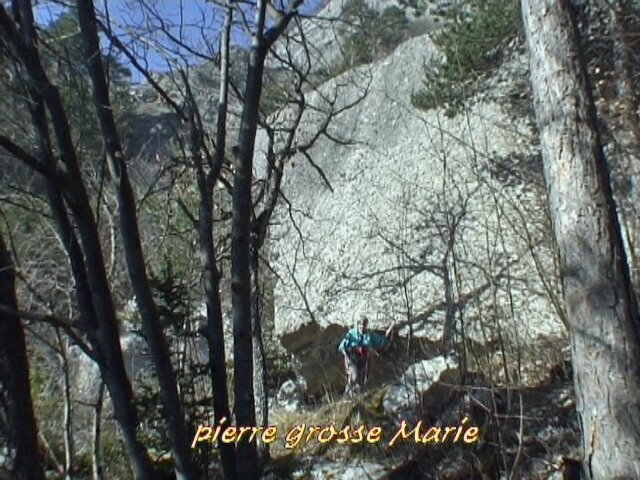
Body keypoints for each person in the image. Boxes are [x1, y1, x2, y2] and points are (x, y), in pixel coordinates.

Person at [338, 316, 393, 396]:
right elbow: (342, 346)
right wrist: (347, 354)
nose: (362, 327)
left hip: (364, 360)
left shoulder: (370, 335)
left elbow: (381, 342)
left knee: (362, 380)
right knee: (354, 375)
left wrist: (387, 336)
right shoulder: (351, 334)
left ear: (366, 325)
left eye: (364, 325)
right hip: (352, 359)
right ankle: (347, 395)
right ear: (357, 325)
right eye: (360, 325)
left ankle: (355, 397)